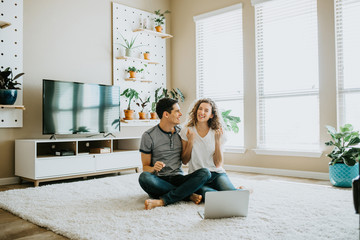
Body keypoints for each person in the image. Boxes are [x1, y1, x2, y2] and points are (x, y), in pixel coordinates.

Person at [138, 97, 211, 210]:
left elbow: (185, 160)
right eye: (177, 111)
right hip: (159, 180)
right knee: (144, 178)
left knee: (205, 173)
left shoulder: (181, 132)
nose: (180, 114)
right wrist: (153, 168)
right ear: (166, 114)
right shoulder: (148, 136)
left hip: (178, 178)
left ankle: (163, 200)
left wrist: (191, 141)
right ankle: (187, 194)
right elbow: (145, 167)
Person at [180, 98, 244, 200]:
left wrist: (217, 141)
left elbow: (218, 164)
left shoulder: (217, 132)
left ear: (211, 115)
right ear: (196, 110)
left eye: (206, 110)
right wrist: (190, 141)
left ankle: (239, 190)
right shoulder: (186, 130)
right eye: (200, 109)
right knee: (214, 198)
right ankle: (235, 189)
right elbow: (184, 160)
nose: (202, 112)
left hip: (216, 174)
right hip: (198, 176)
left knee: (234, 197)